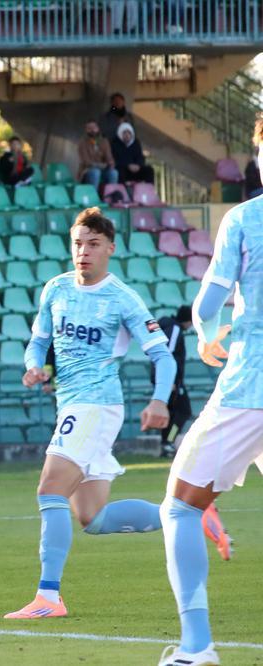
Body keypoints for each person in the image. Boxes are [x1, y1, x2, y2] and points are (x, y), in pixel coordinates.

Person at [4, 207, 220, 621]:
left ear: (110, 249)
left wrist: (159, 400)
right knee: (92, 518)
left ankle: (49, 597)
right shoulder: (56, 289)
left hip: (96, 404)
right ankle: (187, 513)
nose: (83, 252)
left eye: (93, 245)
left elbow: (165, 357)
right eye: (78, 244)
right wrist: (33, 365)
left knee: (50, 489)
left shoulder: (122, 297)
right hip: (70, 403)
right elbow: (38, 340)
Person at [156, 122, 263, 666]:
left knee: (179, 506)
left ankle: (197, 648)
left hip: (252, 385)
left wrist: (203, 334)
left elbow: (208, 302)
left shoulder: (244, 219)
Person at [154, 305, 193, 459]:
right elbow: (167, 353)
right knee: (184, 411)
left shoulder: (167, 325)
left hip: (166, 378)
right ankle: (168, 441)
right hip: (171, 380)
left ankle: (166, 444)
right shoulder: (175, 329)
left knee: (170, 412)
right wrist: (169, 379)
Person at [77, 120, 118, 188]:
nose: (92, 130)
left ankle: (110, 195)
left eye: (94, 127)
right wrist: (100, 165)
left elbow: (109, 157)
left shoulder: (104, 141)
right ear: (86, 130)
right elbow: (86, 161)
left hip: (103, 170)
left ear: (98, 128)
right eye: (89, 128)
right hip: (87, 170)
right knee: (95, 172)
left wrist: (111, 163)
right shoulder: (82, 142)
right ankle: (94, 196)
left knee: (114, 172)